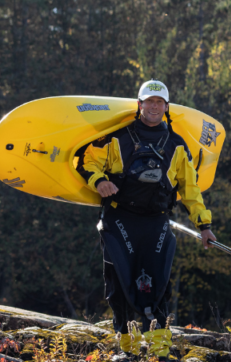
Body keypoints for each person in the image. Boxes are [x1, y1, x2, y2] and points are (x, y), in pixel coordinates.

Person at [77, 80, 218, 359]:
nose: (154, 107)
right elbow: (87, 161)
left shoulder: (177, 146)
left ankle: (158, 351)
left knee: (157, 285)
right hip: (119, 219)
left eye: (159, 102)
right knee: (118, 284)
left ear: (166, 107)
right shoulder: (116, 137)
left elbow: (190, 188)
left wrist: (204, 225)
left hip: (156, 221)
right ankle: (126, 349)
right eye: (148, 102)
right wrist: (100, 180)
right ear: (139, 104)